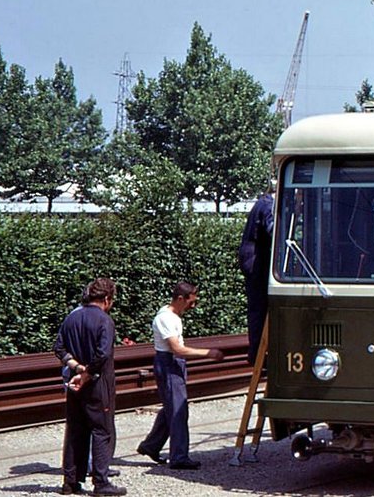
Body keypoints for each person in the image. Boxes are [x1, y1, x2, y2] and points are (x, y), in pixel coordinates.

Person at [136, 281, 225, 471]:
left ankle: (151, 445)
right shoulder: (166, 319)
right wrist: (207, 353)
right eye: (191, 302)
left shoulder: (173, 316)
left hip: (172, 363)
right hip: (169, 363)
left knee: (172, 408)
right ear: (180, 299)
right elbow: (177, 349)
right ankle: (178, 456)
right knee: (178, 411)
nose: (193, 306)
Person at [52, 277, 126, 496]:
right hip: (98, 384)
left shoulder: (71, 318)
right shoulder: (105, 321)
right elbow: (103, 354)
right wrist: (87, 374)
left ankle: (70, 481)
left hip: (75, 383)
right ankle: (101, 482)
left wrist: (76, 368)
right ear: (106, 298)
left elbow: (59, 347)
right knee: (102, 430)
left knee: (75, 430)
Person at [238, 189, 274, 364]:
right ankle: (258, 354)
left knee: (257, 308)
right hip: (256, 262)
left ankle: (257, 352)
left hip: (252, 260)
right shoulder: (269, 205)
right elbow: (273, 231)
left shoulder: (263, 202)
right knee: (260, 308)